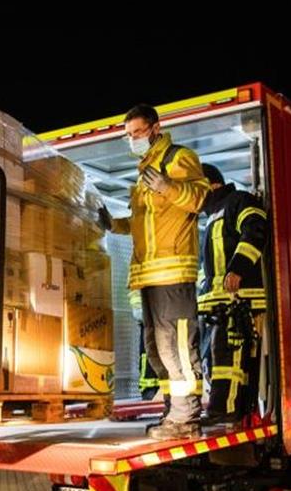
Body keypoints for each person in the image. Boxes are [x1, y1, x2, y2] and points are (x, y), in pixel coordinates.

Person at [97, 105, 210, 438]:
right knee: (157, 348)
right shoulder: (143, 170)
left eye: (139, 132)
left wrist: (167, 187)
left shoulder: (178, 158)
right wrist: (112, 224)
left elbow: (199, 197)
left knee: (175, 346)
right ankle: (172, 414)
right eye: (129, 135)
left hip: (173, 271)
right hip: (148, 275)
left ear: (156, 128)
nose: (133, 139)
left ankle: (187, 418)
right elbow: (142, 223)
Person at [197, 164, 270, 426]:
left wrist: (238, 268)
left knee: (228, 360)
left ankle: (224, 410)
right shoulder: (212, 214)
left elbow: (255, 228)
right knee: (220, 359)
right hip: (219, 302)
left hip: (238, 299)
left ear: (209, 183)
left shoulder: (238, 201)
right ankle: (231, 407)